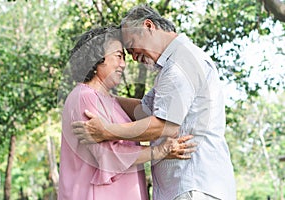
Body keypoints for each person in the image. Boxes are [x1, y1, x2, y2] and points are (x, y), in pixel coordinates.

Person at [72, 4, 237, 200]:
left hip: (192, 185)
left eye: (132, 45)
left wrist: (105, 131)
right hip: (186, 186)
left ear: (148, 26)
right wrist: (102, 95)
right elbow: (144, 110)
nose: (133, 57)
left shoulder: (180, 65)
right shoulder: (173, 67)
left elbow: (164, 126)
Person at [58, 25, 196, 200]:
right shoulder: (84, 97)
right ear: (97, 58)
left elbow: (148, 111)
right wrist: (159, 151)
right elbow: (108, 155)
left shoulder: (108, 100)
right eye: (118, 56)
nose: (123, 64)